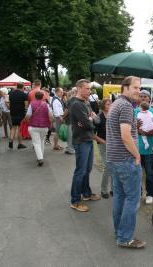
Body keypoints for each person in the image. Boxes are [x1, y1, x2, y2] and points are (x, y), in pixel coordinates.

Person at [106, 76, 146, 248]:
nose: (138, 91)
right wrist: (137, 155)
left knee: (120, 197)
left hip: (114, 159)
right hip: (125, 159)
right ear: (125, 88)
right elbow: (125, 135)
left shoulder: (116, 103)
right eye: (135, 87)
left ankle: (120, 233)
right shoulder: (126, 106)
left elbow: (121, 130)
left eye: (139, 88)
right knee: (132, 199)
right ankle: (124, 238)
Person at [69, 79, 101, 213]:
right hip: (81, 140)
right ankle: (75, 201)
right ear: (79, 88)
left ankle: (86, 193)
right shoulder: (76, 104)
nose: (90, 91)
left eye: (89, 89)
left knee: (87, 169)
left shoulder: (85, 102)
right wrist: (89, 120)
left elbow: (97, 120)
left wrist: (90, 119)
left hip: (88, 138)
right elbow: (89, 125)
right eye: (87, 89)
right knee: (80, 171)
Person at [135, 90, 153, 204]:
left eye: (145, 96)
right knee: (136, 173)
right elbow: (128, 128)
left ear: (149, 99)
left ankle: (150, 194)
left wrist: (145, 133)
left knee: (149, 173)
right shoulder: (134, 111)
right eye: (141, 96)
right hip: (135, 148)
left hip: (149, 149)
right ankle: (138, 193)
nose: (143, 98)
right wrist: (136, 127)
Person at [25, 91, 53, 166]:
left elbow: (28, 115)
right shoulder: (46, 105)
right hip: (44, 127)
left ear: (35, 97)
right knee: (41, 141)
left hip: (33, 126)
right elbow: (50, 116)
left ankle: (40, 158)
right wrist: (50, 124)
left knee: (36, 143)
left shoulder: (32, 104)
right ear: (43, 97)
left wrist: (27, 121)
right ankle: (40, 156)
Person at [95, 99, 113, 198]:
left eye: (111, 103)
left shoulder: (113, 116)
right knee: (107, 166)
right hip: (103, 144)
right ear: (103, 106)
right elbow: (92, 134)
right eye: (108, 103)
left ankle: (113, 189)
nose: (110, 105)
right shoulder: (99, 117)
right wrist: (104, 141)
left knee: (113, 166)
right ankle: (103, 190)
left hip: (113, 145)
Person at [8, 82, 28, 149]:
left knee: (13, 127)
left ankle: (11, 141)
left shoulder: (11, 94)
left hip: (13, 113)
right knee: (20, 129)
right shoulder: (23, 94)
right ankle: (20, 144)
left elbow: (9, 104)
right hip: (20, 113)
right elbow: (26, 105)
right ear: (22, 87)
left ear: (17, 86)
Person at [64, 87, 77, 154]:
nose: (71, 92)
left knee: (70, 135)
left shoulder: (71, 99)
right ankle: (70, 148)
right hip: (75, 120)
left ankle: (70, 149)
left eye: (72, 91)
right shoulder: (77, 99)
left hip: (70, 120)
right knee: (72, 135)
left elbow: (67, 110)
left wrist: (63, 116)